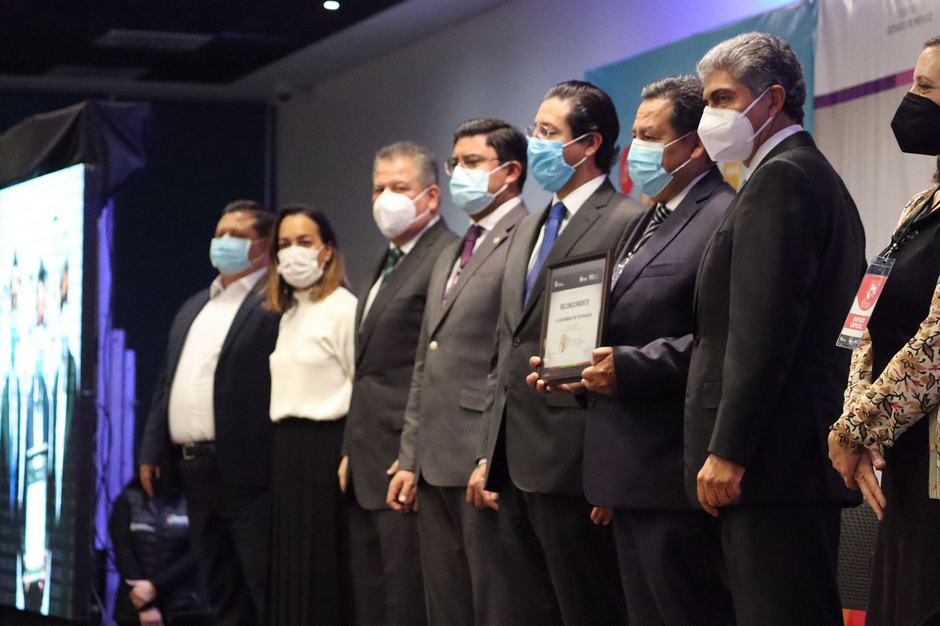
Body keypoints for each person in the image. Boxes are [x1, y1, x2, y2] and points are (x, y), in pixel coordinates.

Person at [684, 32, 865, 625]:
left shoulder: (783, 177)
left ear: (773, 100)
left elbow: (764, 329)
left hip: (772, 465)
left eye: (723, 98)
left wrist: (729, 450)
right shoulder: (801, 173)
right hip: (784, 463)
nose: (710, 116)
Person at [472, 80, 644, 626]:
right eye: (534, 129)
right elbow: (507, 342)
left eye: (548, 132)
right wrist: (486, 452)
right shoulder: (527, 227)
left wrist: (610, 473)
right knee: (525, 609)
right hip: (513, 461)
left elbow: (629, 340)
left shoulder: (626, 220)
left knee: (587, 610)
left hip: (575, 463)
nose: (535, 142)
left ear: (589, 143)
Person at [565, 75, 734, 626]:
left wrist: (631, 367)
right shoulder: (647, 218)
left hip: (674, 472)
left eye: (650, 136)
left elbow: (723, 338)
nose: (635, 149)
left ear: (696, 144)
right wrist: (577, 369)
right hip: (627, 470)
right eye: (634, 135)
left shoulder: (722, 214)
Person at [386, 118, 528, 626]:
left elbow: (510, 355)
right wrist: (409, 456)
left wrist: (492, 455)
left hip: (479, 457)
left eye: (472, 162)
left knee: (493, 604)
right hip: (433, 458)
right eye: (455, 164)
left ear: (510, 172)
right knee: (445, 607)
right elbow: (427, 356)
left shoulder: (527, 237)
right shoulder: (453, 248)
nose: (459, 174)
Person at [829, 36, 940, 626]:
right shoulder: (920, 206)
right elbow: (868, 322)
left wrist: (856, 429)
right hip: (905, 462)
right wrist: (859, 426)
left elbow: (937, 344)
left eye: (926, 87)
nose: (911, 99)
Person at [139, 200, 278, 626]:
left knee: (264, 587)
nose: (223, 243)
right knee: (219, 589)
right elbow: (167, 381)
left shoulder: (274, 301)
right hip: (194, 472)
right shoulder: (194, 306)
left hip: (250, 472)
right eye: (219, 234)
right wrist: (151, 448)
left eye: (236, 235)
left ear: (264, 245)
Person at [340, 141, 457, 626]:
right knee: (373, 600)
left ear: (431, 196)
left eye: (399, 187)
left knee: (407, 601)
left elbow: (433, 368)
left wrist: (412, 454)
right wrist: (350, 446)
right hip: (367, 457)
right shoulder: (385, 260)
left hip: (406, 461)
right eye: (378, 189)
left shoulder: (446, 255)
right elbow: (370, 368)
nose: (385, 199)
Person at [265, 205, 356, 626]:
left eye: (304, 242)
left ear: (327, 250)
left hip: (326, 448)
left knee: (321, 564)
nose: (293, 253)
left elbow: (362, 385)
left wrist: (351, 451)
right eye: (284, 244)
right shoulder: (290, 314)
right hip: (288, 449)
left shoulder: (342, 308)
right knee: (290, 566)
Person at [109, 476, 210, 626]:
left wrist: (155, 586)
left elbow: (198, 551)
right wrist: (145, 606)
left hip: (188, 607)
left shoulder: (197, 500)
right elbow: (123, 552)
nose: (155, 474)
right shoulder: (127, 500)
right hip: (134, 607)